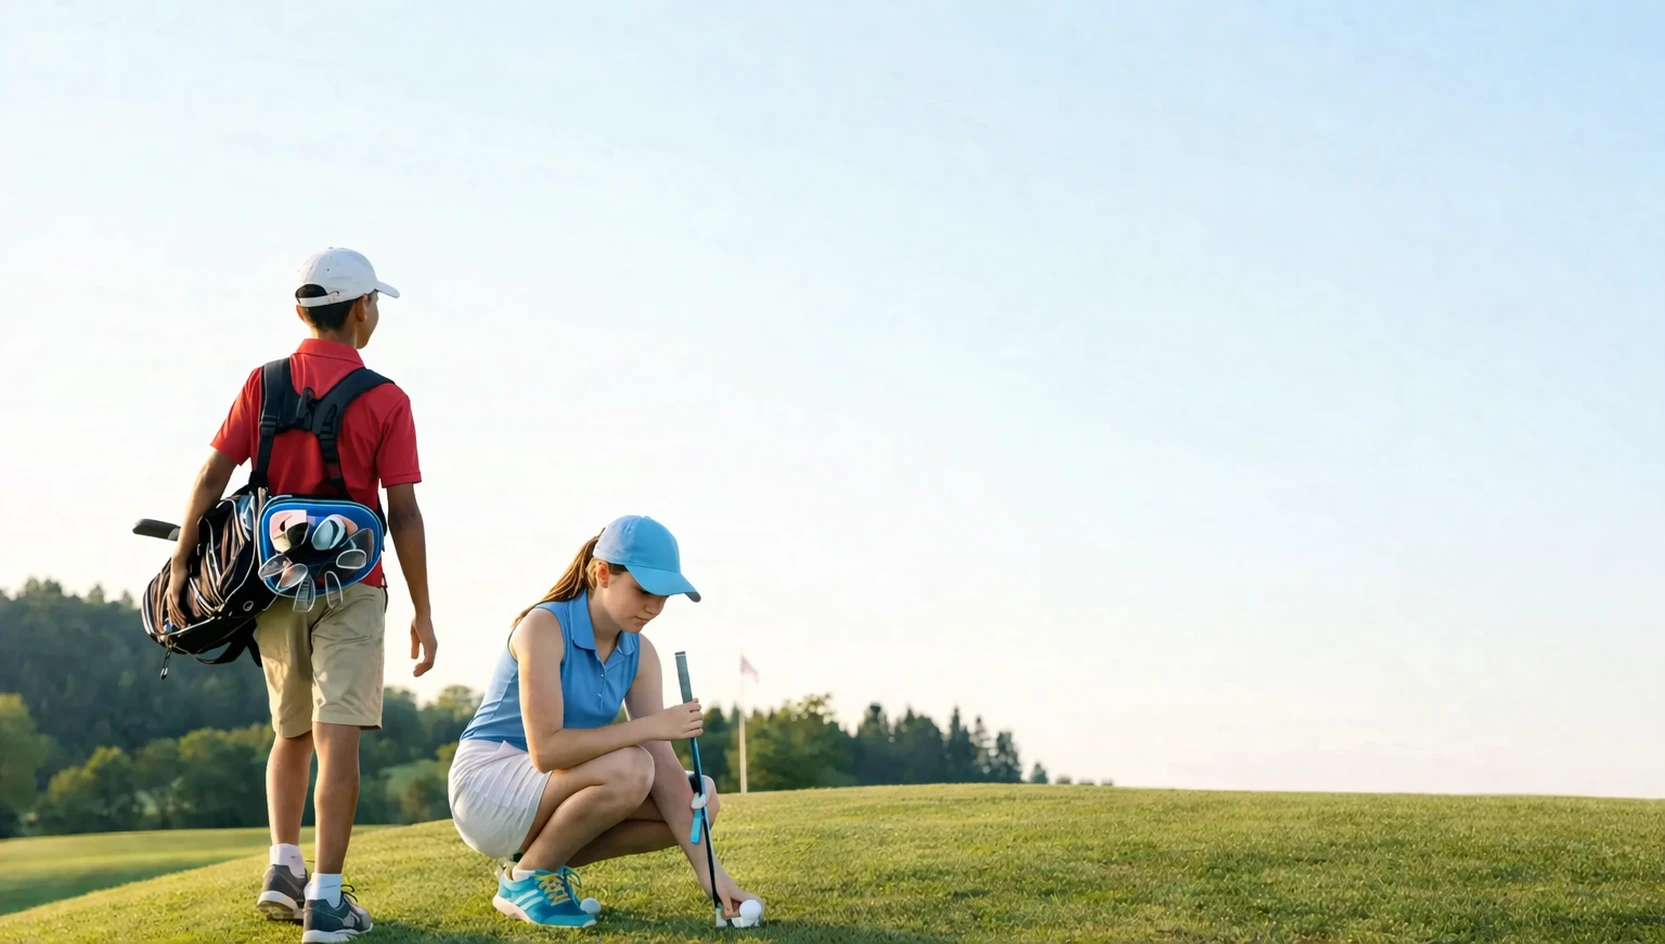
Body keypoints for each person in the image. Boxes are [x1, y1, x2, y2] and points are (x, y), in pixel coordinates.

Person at [168, 247, 437, 943]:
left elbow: (210, 475)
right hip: (354, 588)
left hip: (274, 586)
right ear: (361, 309)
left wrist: (179, 565)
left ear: (299, 310)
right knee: (335, 737)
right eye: (374, 303)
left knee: (289, 732)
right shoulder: (387, 398)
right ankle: (326, 900)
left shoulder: (262, 383)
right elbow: (401, 512)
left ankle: (282, 867)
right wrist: (424, 612)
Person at [448, 515, 757, 929]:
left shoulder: (641, 652)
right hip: (488, 787)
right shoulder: (542, 627)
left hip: (548, 789)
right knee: (631, 766)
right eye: (644, 591)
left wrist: (714, 876)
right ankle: (527, 878)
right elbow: (546, 752)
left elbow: (662, 765)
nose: (654, 607)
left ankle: (541, 864)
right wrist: (649, 728)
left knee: (701, 797)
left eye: (664, 596)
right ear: (602, 573)